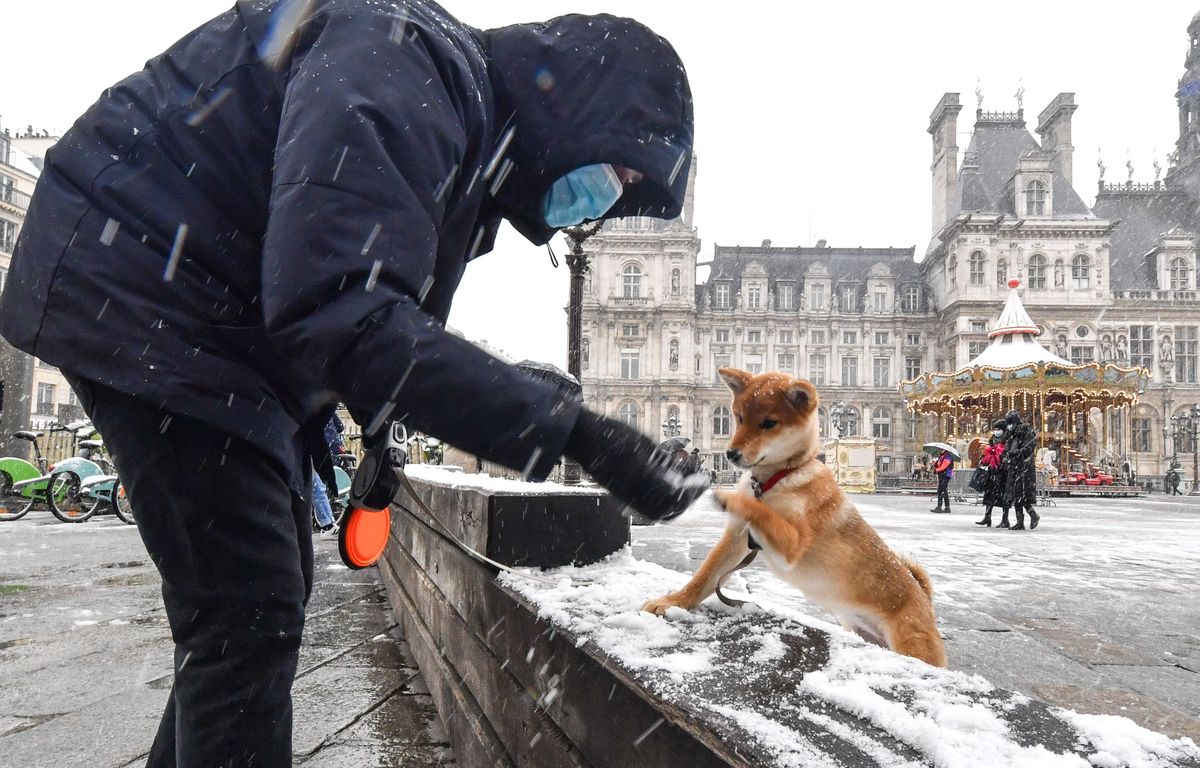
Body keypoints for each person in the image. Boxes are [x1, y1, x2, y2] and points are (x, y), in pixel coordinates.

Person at [0, 4, 701, 766]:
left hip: (204, 315)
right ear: (579, 108)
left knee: (253, 605)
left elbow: (376, 310)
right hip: (145, 286)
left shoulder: (460, 141)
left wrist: (383, 431)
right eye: (620, 169)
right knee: (246, 609)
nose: (606, 197)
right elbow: (341, 305)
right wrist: (577, 433)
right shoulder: (408, 69)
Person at [1000, 411, 1041, 530]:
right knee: (1016, 495)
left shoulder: (1026, 433)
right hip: (1014, 467)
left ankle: (1032, 515)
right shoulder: (1011, 434)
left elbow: (1028, 448)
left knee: (1021, 494)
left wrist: (1017, 453)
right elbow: (1005, 447)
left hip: (1024, 468)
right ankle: (1021, 521)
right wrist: (1005, 456)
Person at [974, 421, 1011, 527]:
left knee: (1003, 496)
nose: (996, 431)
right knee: (989, 494)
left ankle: (1005, 519)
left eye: (998, 429)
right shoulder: (992, 440)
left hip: (1003, 472)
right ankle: (987, 517)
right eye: (995, 429)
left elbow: (1007, 454)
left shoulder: (1008, 440)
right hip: (992, 470)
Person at [930, 449, 955, 513]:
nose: (940, 450)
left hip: (945, 475)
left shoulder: (947, 457)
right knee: (942, 491)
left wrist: (936, 470)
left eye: (941, 449)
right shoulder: (942, 456)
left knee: (942, 491)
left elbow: (944, 466)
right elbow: (939, 465)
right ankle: (946, 507)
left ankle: (941, 507)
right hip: (942, 475)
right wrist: (934, 464)